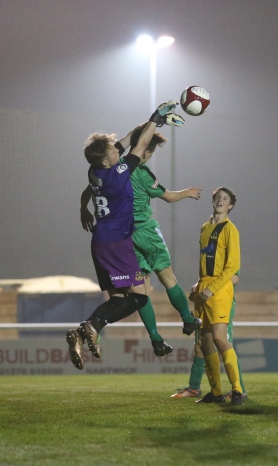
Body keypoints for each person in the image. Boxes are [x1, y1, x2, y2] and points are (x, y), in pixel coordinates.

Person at [65, 102, 184, 369]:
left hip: (99, 242)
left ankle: (85, 330)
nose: (120, 150)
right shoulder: (118, 175)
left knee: (119, 298)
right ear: (108, 160)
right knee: (140, 297)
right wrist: (156, 117)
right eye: (114, 151)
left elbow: (129, 141)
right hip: (117, 243)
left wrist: (151, 123)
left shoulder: (95, 170)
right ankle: (92, 326)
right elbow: (138, 148)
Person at [79, 123, 202, 356]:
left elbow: (88, 190)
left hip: (124, 239)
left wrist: (83, 209)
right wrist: (188, 192)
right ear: (146, 152)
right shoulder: (133, 171)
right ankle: (188, 319)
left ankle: (156, 339)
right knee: (167, 277)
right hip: (144, 231)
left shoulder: (99, 173)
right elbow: (168, 197)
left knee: (140, 290)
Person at [191, 187, 245, 406]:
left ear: (231, 205)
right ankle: (215, 392)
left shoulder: (231, 229)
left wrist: (212, 288)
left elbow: (233, 266)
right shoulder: (205, 227)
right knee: (204, 342)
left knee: (220, 338)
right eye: (217, 198)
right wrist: (198, 284)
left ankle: (238, 390)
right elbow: (204, 260)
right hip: (204, 287)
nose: (220, 201)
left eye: (225, 199)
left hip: (219, 289)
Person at [171, 272, 246, 400]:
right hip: (205, 299)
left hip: (221, 300)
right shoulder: (206, 252)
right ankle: (197, 388)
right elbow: (206, 274)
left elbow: (234, 277)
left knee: (223, 343)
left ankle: (239, 390)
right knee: (201, 344)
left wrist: (209, 288)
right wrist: (198, 286)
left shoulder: (227, 251)